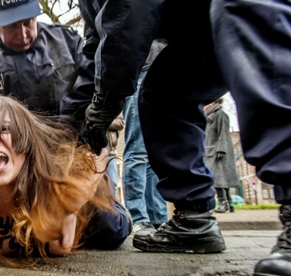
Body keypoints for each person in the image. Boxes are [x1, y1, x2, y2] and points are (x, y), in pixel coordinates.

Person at [78, 0, 291, 274]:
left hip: (246, 9)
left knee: (245, 12)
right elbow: (95, 47)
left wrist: (108, 94)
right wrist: (73, 123)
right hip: (199, 28)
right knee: (164, 90)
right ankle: (194, 218)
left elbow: (130, 10)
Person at [0, 93, 131, 267]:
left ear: (26, 142)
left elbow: (100, 154)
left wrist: (69, 208)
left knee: (112, 228)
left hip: (90, 213)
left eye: (6, 129)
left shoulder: (60, 184)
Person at [0, 0, 94, 132]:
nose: (22, 36)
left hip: (74, 142)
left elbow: (93, 89)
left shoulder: (67, 41)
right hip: (14, 151)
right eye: (12, 26)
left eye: (28, 23)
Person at [122, 39, 168, 235]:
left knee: (155, 154)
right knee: (138, 150)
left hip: (163, 68)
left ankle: (158, 217)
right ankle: (139, 217)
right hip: (141, 68)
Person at [204, 98, 240, 213]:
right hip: (209, 151)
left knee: (217, 179)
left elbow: (223, 132)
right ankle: (229, 203)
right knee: (221, 179)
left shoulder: (220, 114)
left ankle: (222, 203)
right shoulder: (208, 116)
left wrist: (221, 149)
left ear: (215, 102)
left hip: (217, 151)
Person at [105, 114, 124, 196]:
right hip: (92, 152)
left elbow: (120, 123)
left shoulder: (112, 103)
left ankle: (112, 208)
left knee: (112, 185)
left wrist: (101, 121)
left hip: (110, 152)